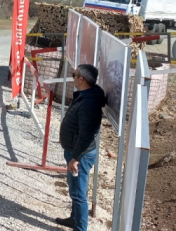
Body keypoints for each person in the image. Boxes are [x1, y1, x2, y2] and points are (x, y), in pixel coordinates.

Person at [56, 64, 107, 231]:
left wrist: (76, 158)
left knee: (78, 194)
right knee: (75, 190)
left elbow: (86, 134)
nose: (72, 77)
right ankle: (74, 219)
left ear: (81, 79)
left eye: (74, 74)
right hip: (76, 152)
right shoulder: (87, 94)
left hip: (80, 155)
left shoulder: (89, 103)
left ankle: (80, 228)